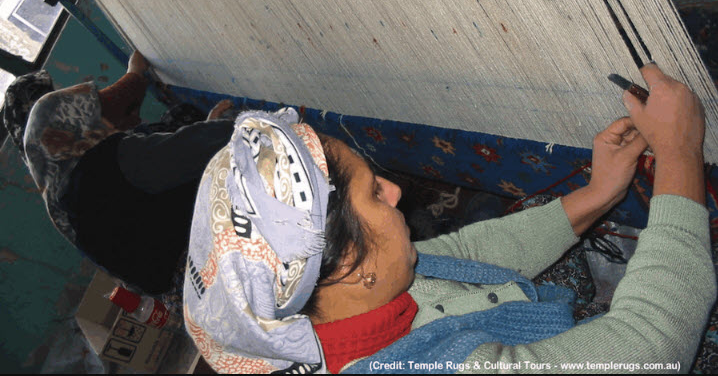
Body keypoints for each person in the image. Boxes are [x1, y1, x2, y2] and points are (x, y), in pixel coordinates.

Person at [183, 63, 715, 373]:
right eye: (374, 192)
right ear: (346, 260)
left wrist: (600, 192)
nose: (394, 190)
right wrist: (679, 151)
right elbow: (649, 344)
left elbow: (462, 257)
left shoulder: (332, 298)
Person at [3, 51, 235, 295]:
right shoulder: (100, 168)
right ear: (70, 122)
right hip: (216, 269)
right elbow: (200, 148)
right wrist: (221, 128)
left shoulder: (64, 199)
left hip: (191, 296)